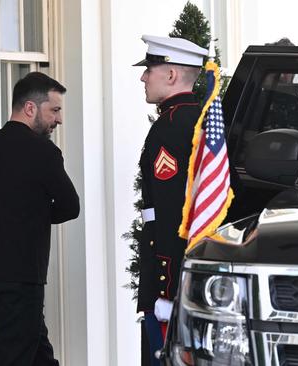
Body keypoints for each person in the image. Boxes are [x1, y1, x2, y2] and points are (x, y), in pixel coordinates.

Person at [0, 71, 79, 366]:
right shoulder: (44, 152)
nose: (59, 119)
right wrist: (33, 215)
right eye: (55, 110)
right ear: (30, 108)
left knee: (38, 353)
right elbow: (70, 206)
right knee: (11, 357)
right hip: (23, 276)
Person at [133, 35, 208, 366]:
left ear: (173, 75)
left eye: (150, 68)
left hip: (170, 269)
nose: (143, 77)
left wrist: (165, 286)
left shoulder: (170, 127)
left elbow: (170, 212)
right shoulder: (201, 118)